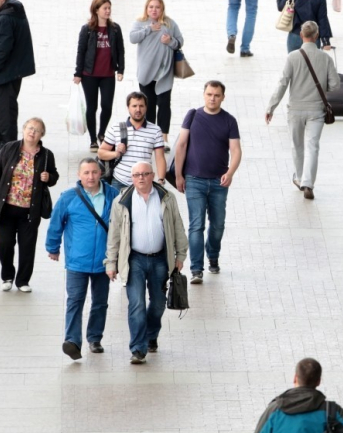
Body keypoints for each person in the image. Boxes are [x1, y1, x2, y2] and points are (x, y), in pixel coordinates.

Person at [104, 161, 188, 364]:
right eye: (136, 175)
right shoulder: (121, 201)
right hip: (135, 260)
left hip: (160, 258)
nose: (140, 178)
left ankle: (151, 334)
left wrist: (180, 255)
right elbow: (114, 234)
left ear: (152, 176)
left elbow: (177, 225)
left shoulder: (166, 198)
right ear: (131, 178)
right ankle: (138, 348)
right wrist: (111, 262)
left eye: (145, 174)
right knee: (137, 304)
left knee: (158, 304)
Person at [46, 158, 120, 360]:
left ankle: (94, 338)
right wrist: (53, 247)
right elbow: (55, 223)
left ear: (101, 173)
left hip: (104, 262)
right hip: (77, 261)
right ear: (79, 175)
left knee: (100, 302)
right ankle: (72, 341)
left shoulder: (114, 195)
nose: (91, 176)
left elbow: (123, 225)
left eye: (94, 172)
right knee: (75, 301)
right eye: (86, 173)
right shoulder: (68, 197)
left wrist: (119, 257)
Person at [173, 81, 242, 284]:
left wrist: (230, 173)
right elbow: (181, 145)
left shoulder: (229, 121)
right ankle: (196, 269)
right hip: (194, 180)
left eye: (217, 95)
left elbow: (236, 150)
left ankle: (213, 254)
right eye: (209, 94)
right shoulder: (193, 115)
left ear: (222, 97)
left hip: (219, 182)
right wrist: (178, 175)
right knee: (196, 226)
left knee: (218, 225)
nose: (212, 98)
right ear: (204, 94)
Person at [0, 117, 59, 292]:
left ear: (42, 135)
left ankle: (23, 281)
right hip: (7, 208)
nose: (32, 132)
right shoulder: (9, 148)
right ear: (23, 129)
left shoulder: (47, 155)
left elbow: (54, 176)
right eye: (30, 128)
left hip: (30, 211)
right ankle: (7, 276)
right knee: (5, 244)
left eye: (37, 130)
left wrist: (49, 178)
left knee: (27, 247)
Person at [266, 21, 339, 201]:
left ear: (301, 35)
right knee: (313, 146)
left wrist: (271, 107)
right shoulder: (325, 58)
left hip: (296, 110)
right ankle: (309, 183)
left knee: (297, 146)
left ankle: (299, 178)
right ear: (316, 36)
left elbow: (283, 84)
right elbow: (335, 84)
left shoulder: (292, 57)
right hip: (317, 110)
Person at [0, 0, 36, 155]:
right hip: (11, 71)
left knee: (5, 110)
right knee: (3, 107)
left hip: (6, 72)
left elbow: (2, 47)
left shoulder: (6, 17)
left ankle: (8, 148)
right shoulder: (9, 12)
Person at [129, 0, 184, 148]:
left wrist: (170, 41)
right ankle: (150, 137)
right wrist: (149, 29)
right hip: (146, 73)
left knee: (164, 104)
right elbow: (132, 38)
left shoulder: (170, 23)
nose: (154, 10)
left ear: (162, 9)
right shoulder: (140, 23)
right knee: (149, 105)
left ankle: (164, 138)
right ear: (146, 8)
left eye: (157, 7)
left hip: (164, 72)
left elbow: (180, 41)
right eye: (151, 7)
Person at [74, 0, 125, 152]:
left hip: (108, 74)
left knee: (107, 106)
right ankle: (92, 139)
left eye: (109, 8)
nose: (108, 11)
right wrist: (78, 73)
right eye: (105, 8)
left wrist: (120, 69)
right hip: (89, 75)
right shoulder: (87, 29)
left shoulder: (115, 28)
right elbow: (81, 51)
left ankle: (102, 133)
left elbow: (120, 50)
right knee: (92, 107)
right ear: (96, 10)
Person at [97, 92, 167, 190]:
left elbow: (160, 158)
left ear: (146, 107)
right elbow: (101, 153)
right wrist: (116, 153)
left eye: (141, 106)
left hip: (144, 183)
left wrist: (161, 180)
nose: (138, 109)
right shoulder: (115, 128)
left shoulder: (155, 130)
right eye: (134, 106)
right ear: (128, 107)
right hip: (120, 182)